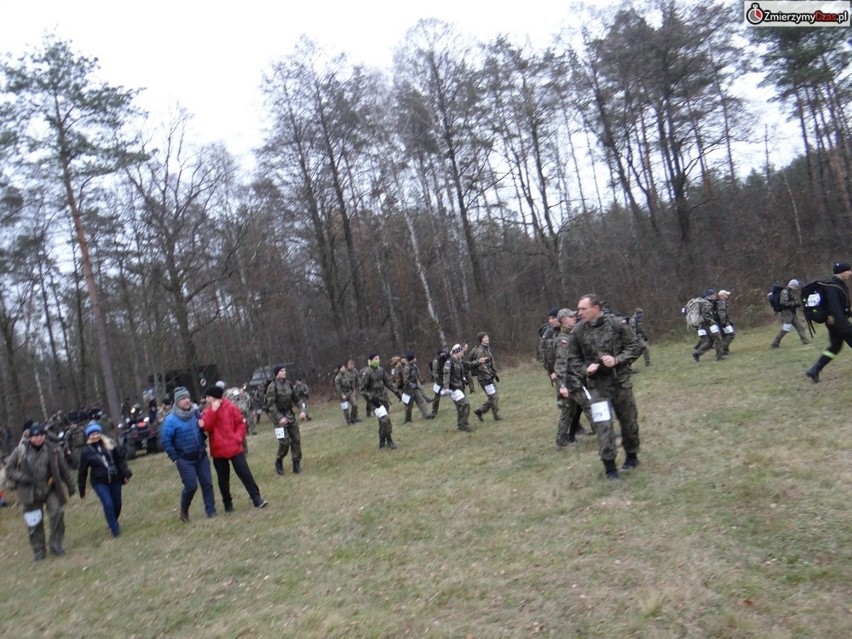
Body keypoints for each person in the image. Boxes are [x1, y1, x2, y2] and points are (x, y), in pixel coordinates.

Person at [564, 294, 643, 480]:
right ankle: (610, 469)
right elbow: (572, 358)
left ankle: (632, 457)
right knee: (603, 426)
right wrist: (585, 369)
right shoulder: (578, 331)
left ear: (596, 308)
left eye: (583, 309)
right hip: (597, 387)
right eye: (578, 309)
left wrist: (617, 359)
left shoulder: (616, 325)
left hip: (620, 383)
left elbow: (635, 346)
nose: (579, 312)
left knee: (629, 422)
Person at [5, 423, 76, 560]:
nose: (38, 438)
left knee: (57, 512)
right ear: (30, 437)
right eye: (35, 436)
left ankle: (55, 544)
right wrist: (22, 478)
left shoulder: (53, 449)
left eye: (41, 435)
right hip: (29, 491)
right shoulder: (20, 450)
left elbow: (63, 469)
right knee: (34, 522)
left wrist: (71, 486)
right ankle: (39, 550)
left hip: (49, 488)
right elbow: (9, 469)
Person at [200, 386, 268, 511]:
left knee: (245, 474)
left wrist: (237, 438)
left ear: (214, 397)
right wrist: (213, 412)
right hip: (218, 451)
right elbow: (206, 427)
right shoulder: (207, 412)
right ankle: (228, 503)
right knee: (223, 479)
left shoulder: (231, 407)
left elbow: (240, 425)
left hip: (235, 448)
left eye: (208, 397)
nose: (207, 399)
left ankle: (256, 498)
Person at [160, 387, 217, 523]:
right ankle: (184, 510)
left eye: (188, 398)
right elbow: (166, 441)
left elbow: (202, 429)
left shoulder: (195, 413)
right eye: (183, 399)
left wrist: (204, 432)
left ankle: (211, 511)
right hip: (184, 459)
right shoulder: (170, 420)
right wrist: (175, 457)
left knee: (207, 483)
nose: (187, 401)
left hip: (201, 455)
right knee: (191, 486)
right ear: (177, 401)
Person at [77, 422, 131, 537]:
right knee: (108, 503)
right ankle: (115, 529)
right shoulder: (86, 451)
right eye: (92, 434)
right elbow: (82, 471)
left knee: (117, 504)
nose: (95, 436)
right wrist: (81, 489)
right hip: (99, 482)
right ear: (88, 436)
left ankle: (113, 520)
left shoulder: (110, 444)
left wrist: (125, 474)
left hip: (115, 478)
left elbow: (120, 460)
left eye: (97, 433)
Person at [805, 261, 852, 383]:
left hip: (835, 323)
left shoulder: (838, 284)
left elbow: (841, 307)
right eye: (848, 271)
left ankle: (814, 370)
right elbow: (835, 309)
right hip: (839, 324)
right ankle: (814, 370)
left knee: (834, 348)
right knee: (835, 347)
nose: (850, 273)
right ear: (841, 272)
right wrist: (845, 327)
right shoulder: (833, 287)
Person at [552, 308, 593, 448]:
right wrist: (562, 385)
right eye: (571, 317)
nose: (574, 318)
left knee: (567, 412)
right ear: (564, 320)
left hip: (574, 379)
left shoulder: (571, 336)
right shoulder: (563, 340)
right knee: (588, 405)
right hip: (571, 382)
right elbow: (561, 364)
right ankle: (605, 433)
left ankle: (561, 441)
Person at [266, 365, 306, 474]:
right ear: (277, 373)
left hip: (290, 415)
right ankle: (278, 461)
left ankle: (296, 465)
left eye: (284, 370)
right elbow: (271, 405)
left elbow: (296, 399)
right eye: (282, 370)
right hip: (278, 417)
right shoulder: (272, 387)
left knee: (296, 440)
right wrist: (280, 418)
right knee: (284, 443)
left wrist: (302, 410)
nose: (284, 372)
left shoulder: (288, 385)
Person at [361, 353, 401, 449]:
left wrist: (396, 392)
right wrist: (371, 398)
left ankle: (382, 442)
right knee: (385, 419)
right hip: (375, 402)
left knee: (382, 422)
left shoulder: (381, 370)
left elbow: (388, 383)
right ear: (370, 360)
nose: (378, 360)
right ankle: (390, 441)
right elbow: (362, 389)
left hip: (384, 399)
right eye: (375, 359)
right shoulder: (367, 372)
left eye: (378, 358)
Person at [771, 279, 812, 349]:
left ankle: (805, 341)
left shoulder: (789, 292)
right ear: (792, 285)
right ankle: (775, 343)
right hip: (787, 313)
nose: (796, 288)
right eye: (795, 287)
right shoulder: (785, 292)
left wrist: (796, 303)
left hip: (792, 313)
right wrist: (795, 304)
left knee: (800, 327)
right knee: (786, 329)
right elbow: (784, 303)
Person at [469, 333, 501, 421]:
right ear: (481, 340)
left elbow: (490, 362)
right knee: (493, 397)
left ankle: (481, 411)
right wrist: (488, 375)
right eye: (484, 338)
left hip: (489, 376)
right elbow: (481, 365)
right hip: (484, 378)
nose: (487, 338)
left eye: (487, 337)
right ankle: (493, 415)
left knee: (494, 396)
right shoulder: (480, 351)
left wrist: (494, 374)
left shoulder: (487, 348)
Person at [442, 344, 473, 432]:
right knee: (465, 404)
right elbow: (446, 375)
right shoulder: (449, 362)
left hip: (460, 387)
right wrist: (446, 387)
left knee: (460, 407)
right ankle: (463, 424)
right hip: (453, 388)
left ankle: (461, 425)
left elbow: (469, 365)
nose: (462, 354)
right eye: (461, 352)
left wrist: (479, 362)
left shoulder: (459, 361)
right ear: (457, 352)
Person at [692, 289, 725, 362]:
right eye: (714, 295)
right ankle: (719, 357)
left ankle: (697, 354)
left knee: (709, 342)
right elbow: (706, 316)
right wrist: (712, 322)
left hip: (706, 325)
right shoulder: (706, 304)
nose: (715, 296)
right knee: (718, 338)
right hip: (709, 325)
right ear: (710, 296)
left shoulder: (709, 302)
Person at [402, 351, 434, 422]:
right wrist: (411, 384)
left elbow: (417, 375)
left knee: (421, 401)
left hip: (415, 388)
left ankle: (426, 415)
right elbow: (405, 380)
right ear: (411, 359)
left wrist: (420, 381)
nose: (415, 358)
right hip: (409, 390)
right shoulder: (407, 368)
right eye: (414, 357)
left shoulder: (414, 366)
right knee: (408, 406)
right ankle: (408, 419)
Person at [537, 308, 561, 380]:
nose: (551, 321)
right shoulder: (547, 334)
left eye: (553, 318)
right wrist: (551, 372)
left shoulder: (569, 330)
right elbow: (544, 355)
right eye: (549, 318)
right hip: (556, 374)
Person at [428, 348, 449, 418]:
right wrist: (440, 381)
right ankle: (434, 411)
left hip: (445, 378)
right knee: (437, 397)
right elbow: (435, 373)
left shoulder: (444, 360)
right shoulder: (436, 362)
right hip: (439, 381)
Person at [715, 290, 735, 355]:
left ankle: (725, 351)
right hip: (723, 323)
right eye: (726, 294)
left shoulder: (721, 302)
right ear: (723, 296)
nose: (727, 296)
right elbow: (722, 314)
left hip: (721, 322)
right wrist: (725, 323)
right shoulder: (721, 303)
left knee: (724, 336)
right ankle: (722, 348)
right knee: (731, 334)